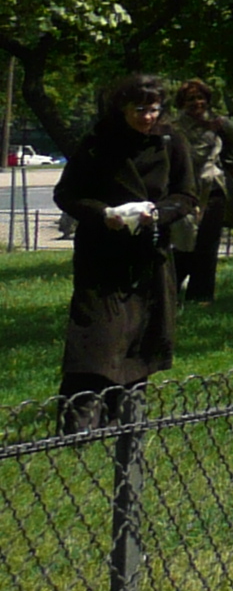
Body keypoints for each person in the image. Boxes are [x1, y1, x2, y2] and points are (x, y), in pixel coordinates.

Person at [53, 75, 200, 429]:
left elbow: (187, 195)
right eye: (139, 109)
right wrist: (104, 214)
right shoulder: (98, 142)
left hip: (150, 255)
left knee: (141, 338)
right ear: (122, 108)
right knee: (95, 338)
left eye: (154, 109)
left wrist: (159, 214)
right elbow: (67, 194)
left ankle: (126, 420)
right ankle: (78, 424)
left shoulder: (171, 141)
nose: (147, 117)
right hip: (101, 255)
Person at [174, 78, 233, 301]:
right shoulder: (174, 127)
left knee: (207, 245)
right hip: (184, 190)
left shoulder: (219, 123)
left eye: (201, 98)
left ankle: (201, 297)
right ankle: (169, 290)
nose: (197, 103)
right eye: (191, 99)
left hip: (214, 189)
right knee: (183, 242)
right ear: (182, 102)